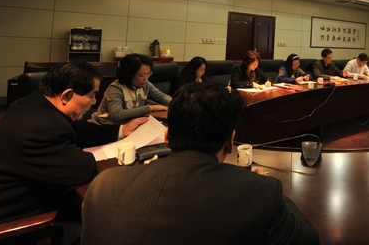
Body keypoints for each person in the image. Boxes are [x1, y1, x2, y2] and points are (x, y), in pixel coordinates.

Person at [81, 82, 320, 245]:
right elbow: (309, 239)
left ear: (167, 135)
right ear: (230, 141)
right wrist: (269, 188)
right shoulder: (260, 193)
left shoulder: (104, 185)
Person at [0, 62, 146, 230]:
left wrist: (122, 130)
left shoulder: (33, 104)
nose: (94, 102)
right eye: (92, 95)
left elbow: (76, 132)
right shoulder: (44, 129)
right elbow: (83, 170)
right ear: (67, 95)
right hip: (1, 218)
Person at [89, 54, 170, 126]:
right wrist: (150, 108)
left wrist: (175, 104)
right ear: (128, 74)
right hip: (105, 127)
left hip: (130, 125)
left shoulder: (146, 84)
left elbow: (161, 97)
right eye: (141, 75)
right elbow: (116, 115)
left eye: (148, 74)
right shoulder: (116, 88)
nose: (145, 78)